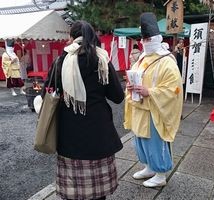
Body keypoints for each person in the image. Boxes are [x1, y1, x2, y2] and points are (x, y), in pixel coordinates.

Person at [41, 20, 124, 200]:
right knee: (98, 194)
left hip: (70, 135)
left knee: (73, 192)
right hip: (99, 133)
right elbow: (118, 96)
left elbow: (46, 93)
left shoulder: (61, 61)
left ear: (71, 38)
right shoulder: (101, 59)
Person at [124, 12, 183, 188]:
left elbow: (173, 89)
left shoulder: (167, 61)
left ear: (157, 38)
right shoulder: (142, 58)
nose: (146, 41)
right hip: (140, 107)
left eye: (149, 38)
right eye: (144, 38)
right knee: (141, 140)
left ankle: (160, 173)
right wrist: (131, 86)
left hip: (155, 109)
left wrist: (150, 91)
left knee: (155, 142)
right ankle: (148, 167)